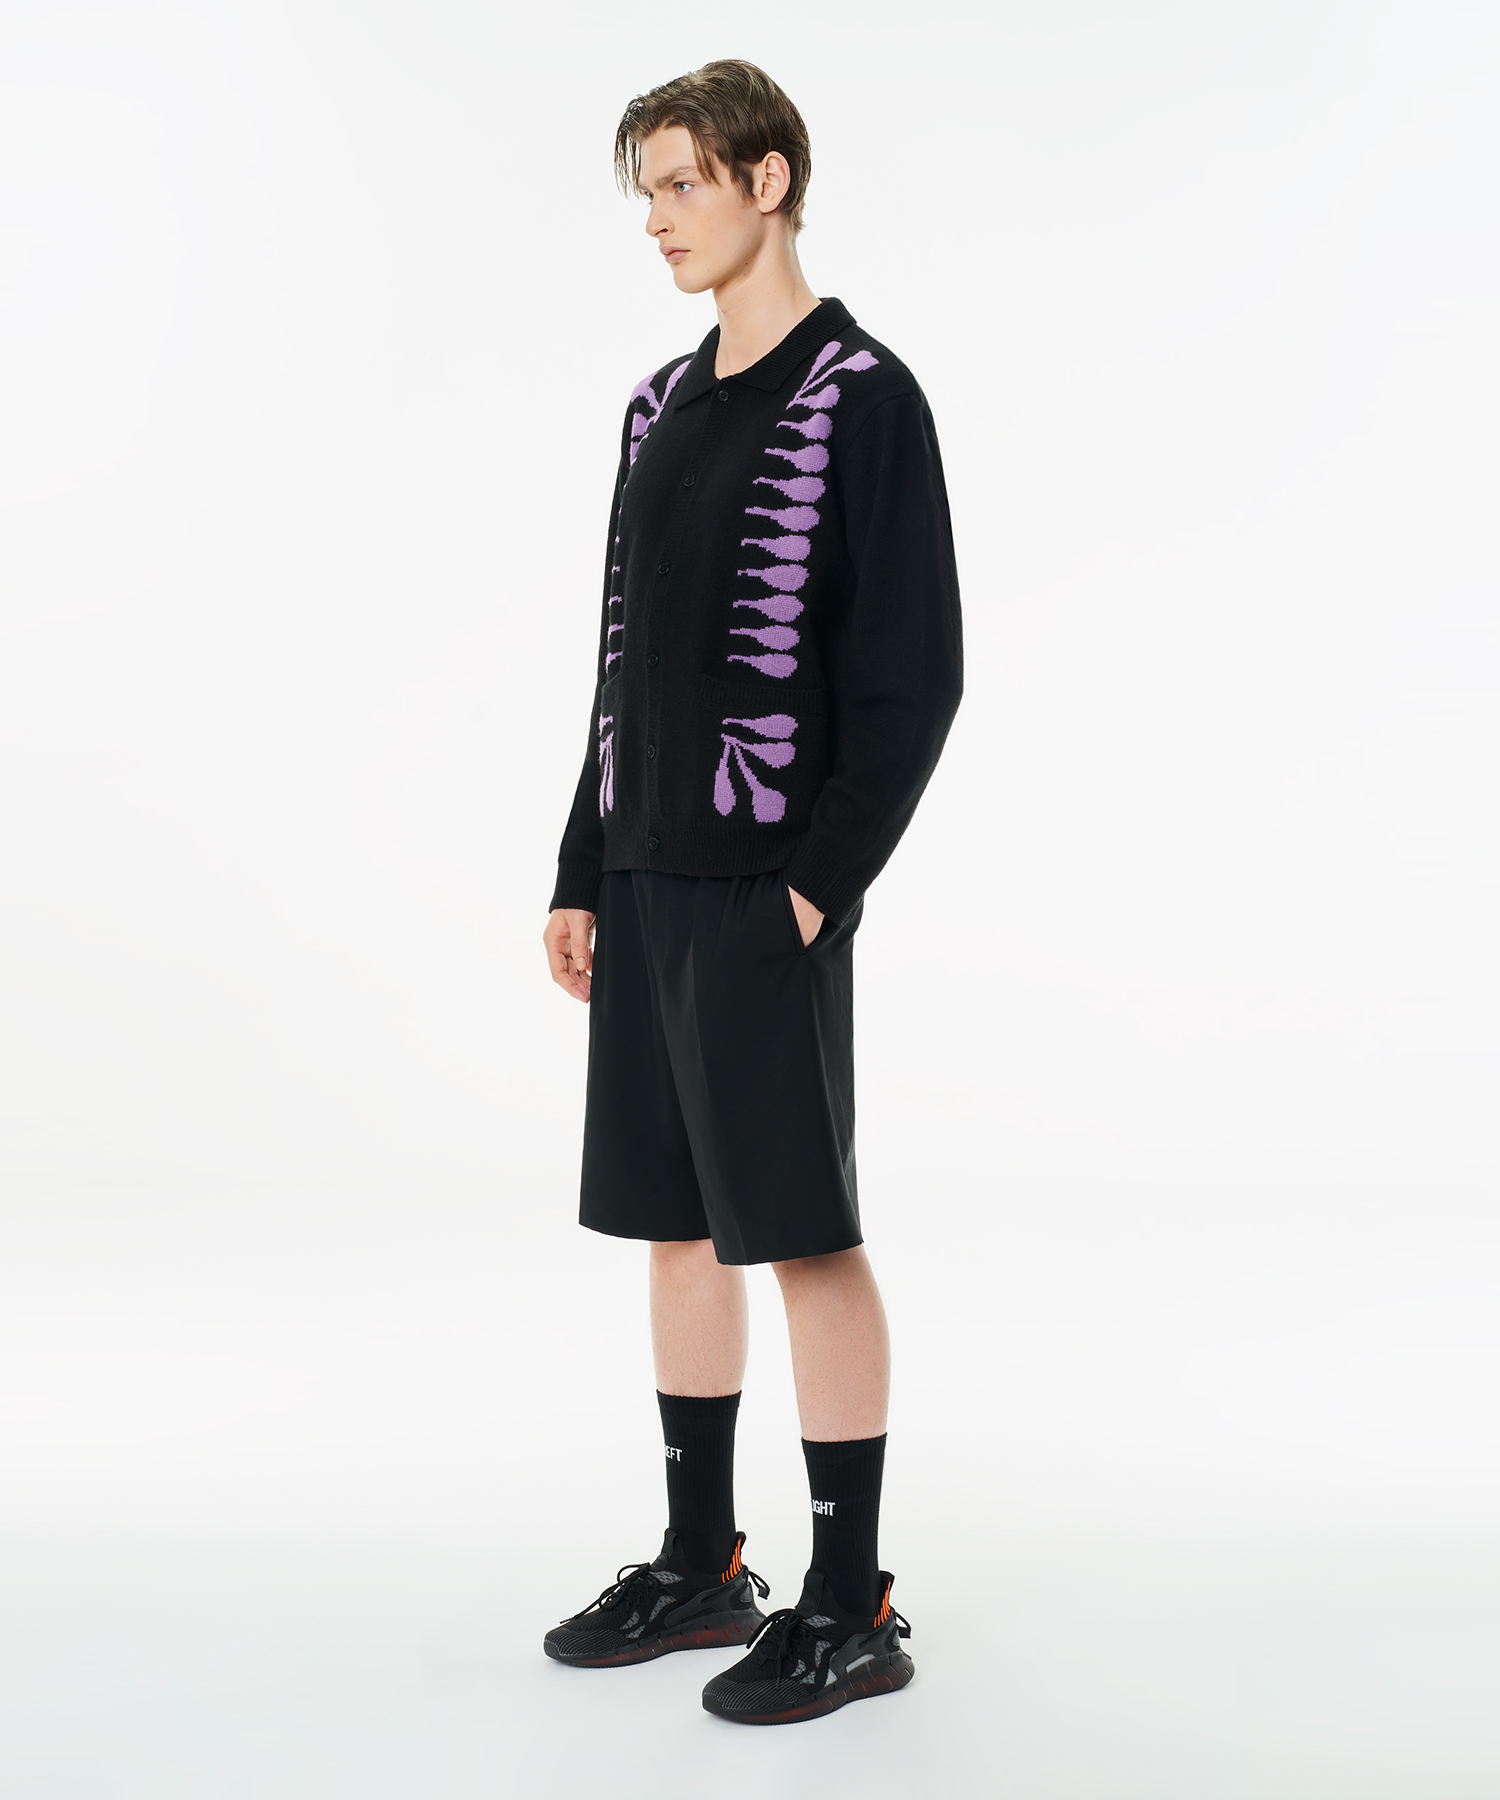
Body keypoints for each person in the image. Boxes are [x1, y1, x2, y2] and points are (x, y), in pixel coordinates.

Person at [540, 59, 963, 1725]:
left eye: (679, 185)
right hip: (649, 878)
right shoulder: (658, 405)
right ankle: (702, 1559)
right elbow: (623, 662)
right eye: (644, 192)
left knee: (799, 1229)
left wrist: (816, 887)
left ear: (767, 178)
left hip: (764, 886)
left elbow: (914, 675)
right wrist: (583, 865)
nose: (655, 220)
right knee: (672, 1226)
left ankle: (853, 1600)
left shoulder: (864, 396)